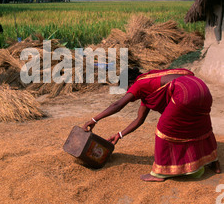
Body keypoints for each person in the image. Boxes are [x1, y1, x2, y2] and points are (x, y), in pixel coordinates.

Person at [83, 68, 221, 182]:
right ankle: (213, 161)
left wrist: (94, 119)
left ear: (131, 82)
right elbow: (139, 119)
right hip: (201, 88)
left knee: (163, 129)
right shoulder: (149, 88)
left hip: (184, 91)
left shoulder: (139, 84)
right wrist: (119, 135)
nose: (128, 93)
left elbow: (118, 104)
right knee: (200, 126)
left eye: (127, 89)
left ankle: (160, 173)